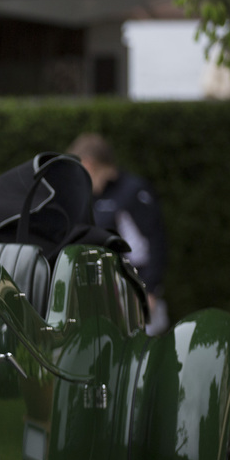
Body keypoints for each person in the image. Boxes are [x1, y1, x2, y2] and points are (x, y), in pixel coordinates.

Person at [68, 132, 170, 335]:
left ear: (88, 165)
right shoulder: (93, 196)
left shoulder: (133, 192)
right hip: (103, 291)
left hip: (134, 288)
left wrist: (149, 290)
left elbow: (156, 241)